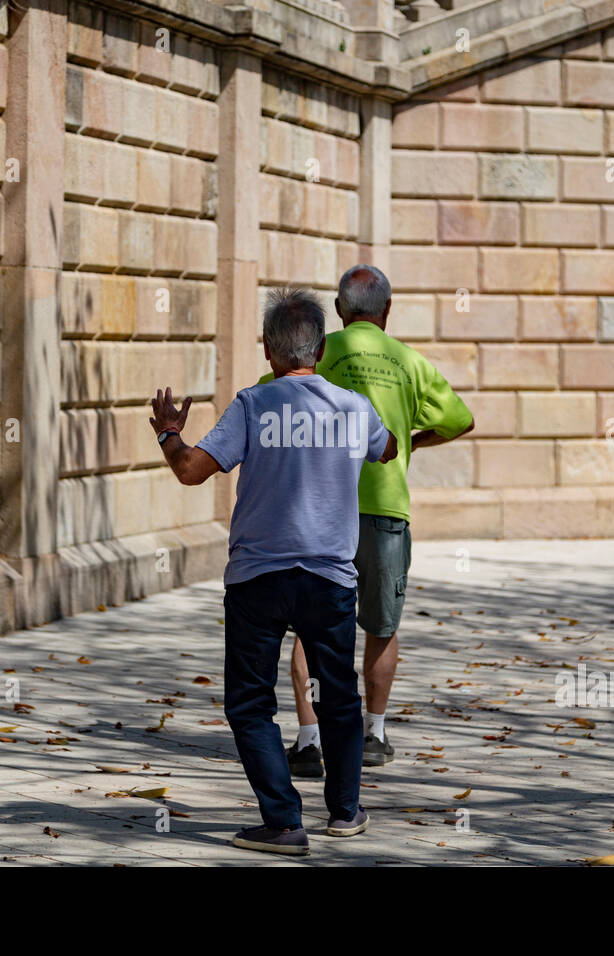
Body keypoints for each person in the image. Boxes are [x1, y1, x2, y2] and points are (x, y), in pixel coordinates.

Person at [149, 286, 398, 856]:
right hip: (330, 579)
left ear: (267, 351)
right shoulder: (352, 408)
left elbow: (190, 471)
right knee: (338, 699)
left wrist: (168, 433)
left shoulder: (251, 405)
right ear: (322, 349)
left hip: (258, 579)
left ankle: (284, 822)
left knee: (250, 703)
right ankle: (345, 811)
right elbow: (385, 451)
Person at [277, 265, 474, 774]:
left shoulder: (321, 353)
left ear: (339, 311)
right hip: (386, 508)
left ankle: (309, 739)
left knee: (308, 627)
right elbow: (459, 419)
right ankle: (375, 734)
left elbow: (273, 393)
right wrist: (407, 440)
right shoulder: (409, 362)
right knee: (382, 627)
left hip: (322, 507)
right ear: (387, 310)